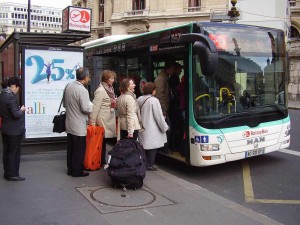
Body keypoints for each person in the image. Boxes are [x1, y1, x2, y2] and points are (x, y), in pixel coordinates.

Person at [63, 67, 93, 177]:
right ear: (85, 77)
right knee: (79, 150)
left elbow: (64, 104)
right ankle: (77, 171)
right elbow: (86, 108)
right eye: (88, 76)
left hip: (69, 122)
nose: (89, 78)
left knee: (71, 148)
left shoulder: (68, 86)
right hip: (78, 125)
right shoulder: (82, 90)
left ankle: (70, 169)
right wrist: (91, 105)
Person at [137, 82, 168, 171]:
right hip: (152, 127)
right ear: (153, 90)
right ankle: (149, 164)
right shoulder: (154, 100)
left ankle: (144, 162)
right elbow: (159, 117)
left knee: (145, 145)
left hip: (142, 126)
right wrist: (165, 127)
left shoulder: (139, 99)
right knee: (153, 147)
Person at [0, 77, 26, 181]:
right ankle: (13, 174)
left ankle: (7, 172)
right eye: (18, 88)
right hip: (14, 130)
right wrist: (22, 110)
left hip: (5, 128)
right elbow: (16, 114)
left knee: (6, 151)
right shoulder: (10, 97)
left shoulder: (2, 95)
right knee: (13, 152)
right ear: (14, 86)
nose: (17, 90)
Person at [89, 70, 117, 165]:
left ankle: (101, 160)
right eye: (111, 78)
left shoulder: (110, 89)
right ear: (106, 79)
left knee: (103, 141)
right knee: (101, 141)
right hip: (102, 119)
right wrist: (92, 122)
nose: (113, 80)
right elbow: (95, 107)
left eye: (113, 78)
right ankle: (99, 160)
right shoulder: (101, 90)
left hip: (108, 117)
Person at [169, 62, 183, 151]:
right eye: (180, 69)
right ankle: (174, 145)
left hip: (175, 105)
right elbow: (176, 92)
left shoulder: (175, 78)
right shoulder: (174, 78)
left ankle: (174, 145)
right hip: (175, 106)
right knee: (175, 127)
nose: (181, 70)